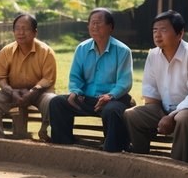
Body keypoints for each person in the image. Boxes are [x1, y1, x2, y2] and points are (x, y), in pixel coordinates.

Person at [124, 10, 188, 163]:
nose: (157, 34)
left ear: (180, 34)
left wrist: (170, 117)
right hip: (164, 110)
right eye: (154, 30)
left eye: (163, 30)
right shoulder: (153, 55)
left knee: (183, 118)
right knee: (132, 114)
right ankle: (140, 159)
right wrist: (160, 116)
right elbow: (151, 93)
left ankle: (180, 166)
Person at [48, 8, 133, 152]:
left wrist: (109, 96)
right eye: (92, 23)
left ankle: (112, 149)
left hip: (113, 98)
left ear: (110, 27)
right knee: (57, 103)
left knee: (112, 111)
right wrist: (74, 91)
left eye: (99, 23)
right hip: (86, 98)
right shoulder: (81, 48)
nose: (94, 26)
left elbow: (124, 82)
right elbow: (75, 76)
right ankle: (63, 146)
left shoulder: (123, 50)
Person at [0, 13, 57, 139]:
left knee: (52, 100)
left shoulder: (46, 51)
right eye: (17, 28)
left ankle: (45, 133)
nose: (21, 32)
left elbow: (48, 79)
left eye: (25, 29)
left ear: (35, 32)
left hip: (39, 93)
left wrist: (33, 91)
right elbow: (1, 77)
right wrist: (10, 91)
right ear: (13, 31)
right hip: (12, 92)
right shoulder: (6, 51)